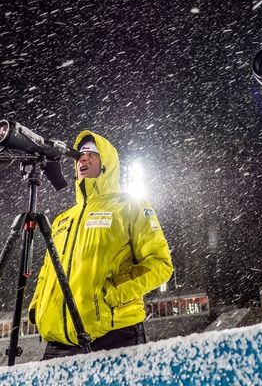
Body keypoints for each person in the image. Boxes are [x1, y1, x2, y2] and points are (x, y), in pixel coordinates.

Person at [28, 130, 173, 360]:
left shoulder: (130, 206)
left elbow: (160, 264)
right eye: (80, 155)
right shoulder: (63, 219)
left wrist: (112, 294)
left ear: (107, 163)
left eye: (92, 154)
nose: (83, 159)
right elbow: (48, 272)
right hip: (57, 342)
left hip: (113, 336)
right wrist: (38, 307)